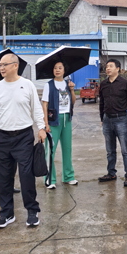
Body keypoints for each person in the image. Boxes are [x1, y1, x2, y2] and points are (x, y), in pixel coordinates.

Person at [0, 53, 46, 228]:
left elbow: (36, 109)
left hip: (23, 137)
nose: (1, 68)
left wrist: (41, 127)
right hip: (1, 138)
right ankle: (7, 214)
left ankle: (32, 211)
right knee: (4, 177)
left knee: (26, 175)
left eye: (4, 64)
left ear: (15, 65)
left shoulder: (27, 85)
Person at [99, 59, 127, 187]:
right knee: (110, 150)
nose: (107, 68)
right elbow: (102, 102)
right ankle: (111, 173)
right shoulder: (103, 84)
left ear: (118, 68)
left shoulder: (126, 83)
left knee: (125, 150)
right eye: (106, 66)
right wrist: (102, 118)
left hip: (121, 119)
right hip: (107, 119)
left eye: (110, 66)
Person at [42, 60, 77, 188]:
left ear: (64, 70)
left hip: (66, 119)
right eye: (55, 68)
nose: (57, 70)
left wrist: (72, 90)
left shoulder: (68, 84)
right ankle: (49, 179)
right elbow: (45, 105)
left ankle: (68, 177)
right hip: (53, 121)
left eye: (60, 68)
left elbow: (73, 102)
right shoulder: (49, 85)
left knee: (67, 149)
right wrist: (46, 123)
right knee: (50, 150)